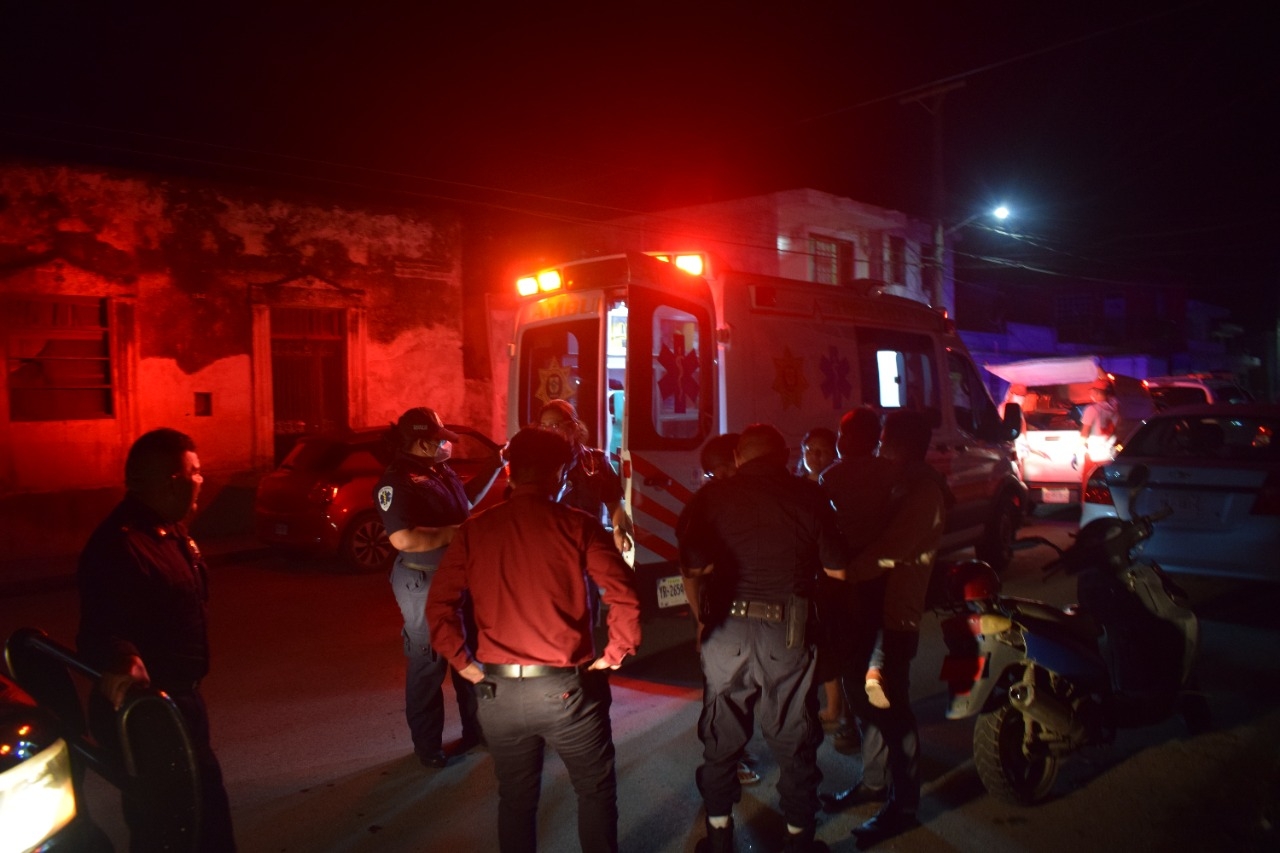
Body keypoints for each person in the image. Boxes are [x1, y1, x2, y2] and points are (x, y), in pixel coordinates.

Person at [426, 426, 641, 853]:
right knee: (595, 792)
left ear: (510, 471)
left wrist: (466, 664)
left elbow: (439, 607)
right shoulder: (577, 526)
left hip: (498, 693)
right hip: (566, 691)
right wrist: (614, 654)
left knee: (516, 800)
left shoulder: (475, 530)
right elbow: (623, 595)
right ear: (560, 474)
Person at [679, 424, 850, 853]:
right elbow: (838, 572)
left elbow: (694, 570)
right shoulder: (810, 495)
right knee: (794, 734)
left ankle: (719, 837)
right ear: (785, 456)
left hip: (726, 629)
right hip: (787, 630)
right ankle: (798, 839)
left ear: (738, 457)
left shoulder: (712, 498)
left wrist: (705, 619)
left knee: (721, 733)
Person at [76, 427, 237, 851]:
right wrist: (122, 656)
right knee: (168, 824)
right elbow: (99, 626)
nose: (202, 480)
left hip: (183, 702)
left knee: (203, 811)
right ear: (171, 480)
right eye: (195, 472)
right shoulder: (121, 545)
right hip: (150, 714)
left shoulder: (169, 530)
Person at [828, 410, 952, 847]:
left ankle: (904, 804)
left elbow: (891, 549)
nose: (878, 448)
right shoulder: (900, 483)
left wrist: (844, 572)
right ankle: (875, 782)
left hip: (896, 615)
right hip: (871, 611)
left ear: (897, 444)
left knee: (888, 706)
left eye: (882, 442)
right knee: (865, 701)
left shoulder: (922, 491)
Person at [376, 406, 502, 768]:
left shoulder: (438, 470)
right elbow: (403, 539)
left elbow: (465, 503)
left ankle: (477, 731)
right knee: (428, 663)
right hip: (423, 581)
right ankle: (428, 748)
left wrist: (496, 463)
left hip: (458, 576)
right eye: (440, 440)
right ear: (420, 442)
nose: (447, 445)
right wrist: (459, 534)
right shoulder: (395, 482)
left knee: (469, 653)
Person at [684, 433, 762, 788]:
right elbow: (689, 574)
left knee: (739, 694)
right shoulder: (704, 505)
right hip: (722, 616)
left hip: (748, 614)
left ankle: (733, 758)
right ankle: (725, 766)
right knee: (722, 698)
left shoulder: (741, 498)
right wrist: (701, 621)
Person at [535, 399, 634, 554]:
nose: (548, 431)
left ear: (573, 427)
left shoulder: (596, 461)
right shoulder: (534, 464)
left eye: (555, 425)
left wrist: (618, 530)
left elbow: (615, 501)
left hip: (589, 545)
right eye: (543, 426)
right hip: (551, 547)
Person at [797, 426, 844, 731]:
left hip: (830, 575)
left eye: (823, 449)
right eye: (810, 448)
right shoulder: (795, 486)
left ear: (835, 452)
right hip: (804, 576)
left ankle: (836, 710)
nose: (815, 455)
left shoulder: (837, 485)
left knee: (828, 644)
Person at [1079, 384, 1120, 462]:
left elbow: (1084, 433)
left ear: (1096, 392)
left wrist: (1078, 450)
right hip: (1111, 452)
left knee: (1091, 474)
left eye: (1091, 392)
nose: (1090, 395)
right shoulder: (1115, 409)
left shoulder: (1092, 409)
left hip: (1095, 454)